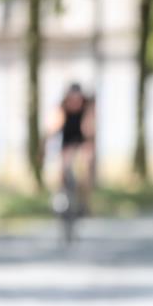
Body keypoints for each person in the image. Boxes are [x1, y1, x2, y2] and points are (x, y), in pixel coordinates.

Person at [43, 83, 96, 214]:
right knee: (62, 166)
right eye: (72, 99)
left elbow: (89, 130)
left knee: (86, 163)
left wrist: (88, 142)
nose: (74, 103)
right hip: (66, 142)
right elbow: (52, 128)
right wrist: (44, 146)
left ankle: (84, 202)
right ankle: (59, 195)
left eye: (77, 99)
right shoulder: (62, 107)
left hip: (82, 140)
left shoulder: (86, 107)